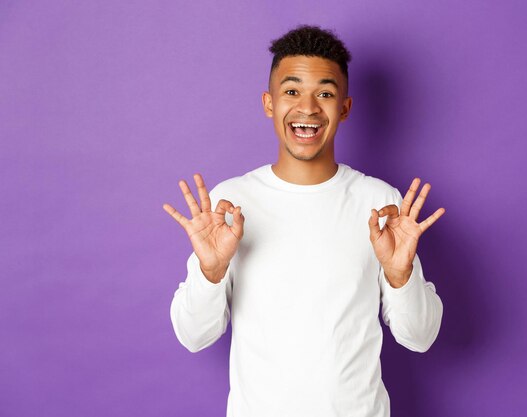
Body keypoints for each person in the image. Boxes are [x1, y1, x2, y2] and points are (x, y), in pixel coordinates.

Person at [163, 24, 445, 417]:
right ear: (269, 103)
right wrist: (211, 272)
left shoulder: (381, 204)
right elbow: (193, 336)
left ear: (344, 108)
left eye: (325, 94)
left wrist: (401, 277)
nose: (308, 108)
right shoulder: (231, 203)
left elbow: (420, 337)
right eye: (291, 91)